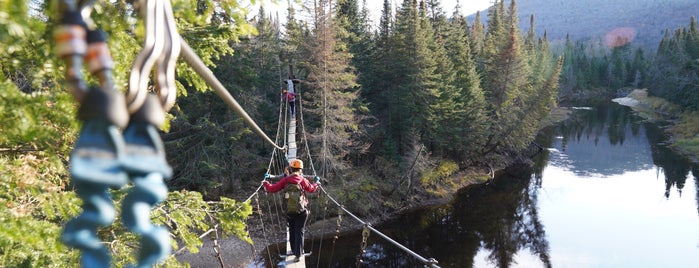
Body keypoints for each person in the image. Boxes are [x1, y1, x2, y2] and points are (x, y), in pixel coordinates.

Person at [263, 159, 319, 262]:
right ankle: (298, 254)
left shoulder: (286, 180)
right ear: (301, 169)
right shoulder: (302, 180)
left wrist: (266, 183)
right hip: (302, 211)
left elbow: (272, 189)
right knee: (300, 231)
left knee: (292, 231)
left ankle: (293, 250)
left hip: (289, 211)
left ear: (291, 169)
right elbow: (311, 189)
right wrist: (316, 183)